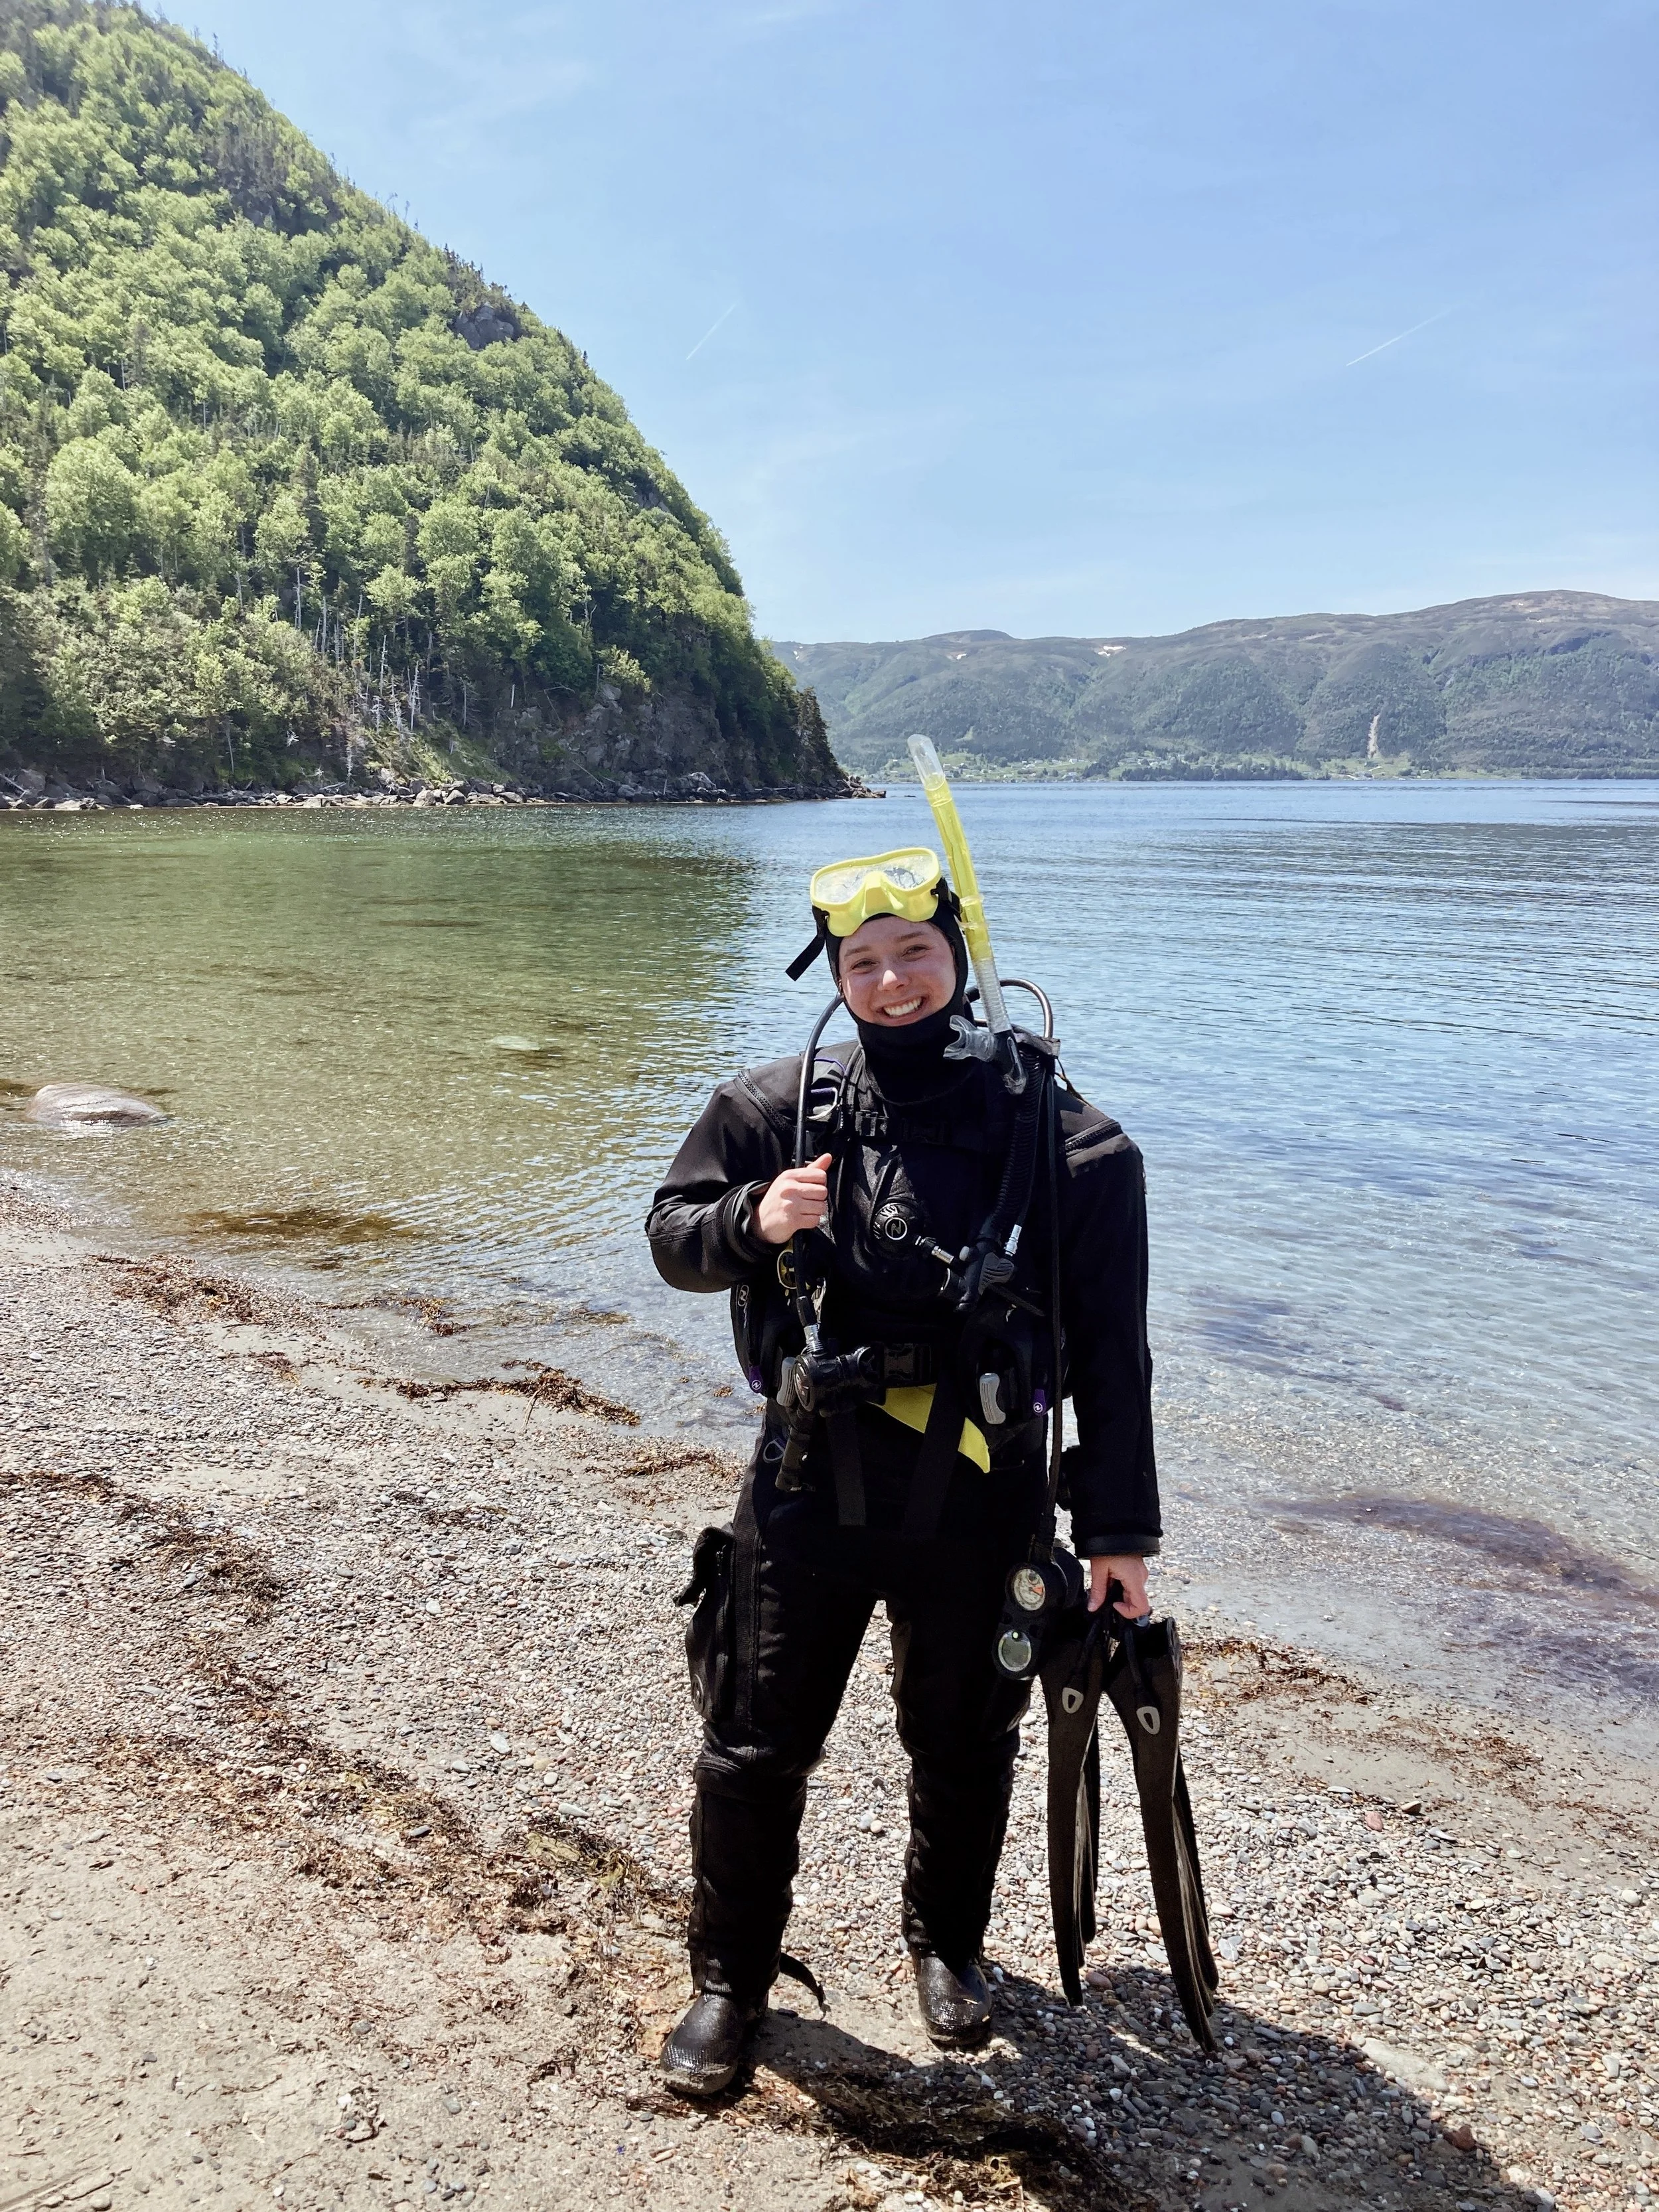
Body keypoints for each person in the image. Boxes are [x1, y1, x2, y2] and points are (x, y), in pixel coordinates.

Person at [644, 848, 1161, 2096]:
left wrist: (1119, 1533)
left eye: (914, 955)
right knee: (754, 1744)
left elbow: (1112, 1349)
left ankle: (949, 1948)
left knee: (965, 1740)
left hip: (981, 1501)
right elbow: (673, 1237)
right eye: (860, 962)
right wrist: (753, 1219)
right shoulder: (777, 1108)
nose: (889, 983)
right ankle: (730, 1980)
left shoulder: (1061, 1136)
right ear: (831, 969)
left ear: (960, 958)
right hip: (807, 1485)